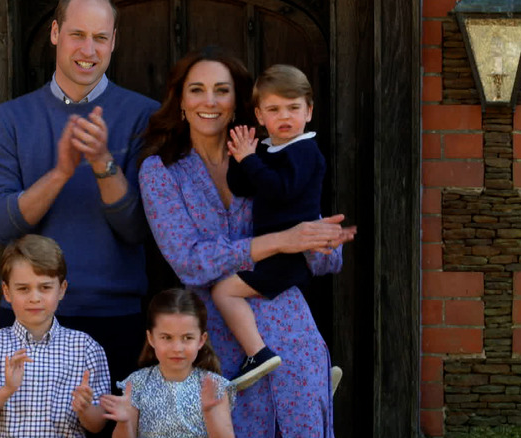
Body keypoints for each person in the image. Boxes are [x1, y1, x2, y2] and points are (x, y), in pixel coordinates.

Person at [138, 46, 355, 437]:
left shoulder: (269, 155)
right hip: (213, 340)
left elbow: (322, 255)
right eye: (197, 90)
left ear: (238, 103)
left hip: (290, 330)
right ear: (181, 101)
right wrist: (280, 241)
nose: (209, 101)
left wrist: (323, 240)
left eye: (221, 90)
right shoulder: (161, 171)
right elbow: (190, 261)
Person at [0, 0, 160, 413]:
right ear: (55, 33)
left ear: (114, 41)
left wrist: (102, 164)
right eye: (77, 35)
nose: (88, 50)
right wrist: (60, 172)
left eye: (100, 38)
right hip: (27, 321)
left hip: (115, 319)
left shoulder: (144, 117)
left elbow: (138, 230)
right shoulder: (9, 119)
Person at [210, 64, 326, 390]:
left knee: (224, 291)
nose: (285, 116)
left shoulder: (305, 151)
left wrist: (251, 160)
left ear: (309, 111)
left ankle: (257, 354)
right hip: (273, 250)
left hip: (288, 255)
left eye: (293, 108)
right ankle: (310, 373)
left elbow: (279, 189)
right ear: (260, 116)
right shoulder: (269, 149)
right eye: (274, 109)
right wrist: (240, 155)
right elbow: (242, 186)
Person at [0, 234, 110, 437]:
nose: (34, 298)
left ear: (62, 289)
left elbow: (98, 425)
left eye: (45, 287)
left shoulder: (85, 348)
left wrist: (85, 409)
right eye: (23, 289)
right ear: (7, 292)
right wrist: (6, 390)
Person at [100, 288, 235, 438]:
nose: (177, 348)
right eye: (167, 337)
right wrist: (124, 422)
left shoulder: (214, 386)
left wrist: (210, 414)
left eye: (187, 338)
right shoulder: (137, 384)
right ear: (151, 338)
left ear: (201, 340)